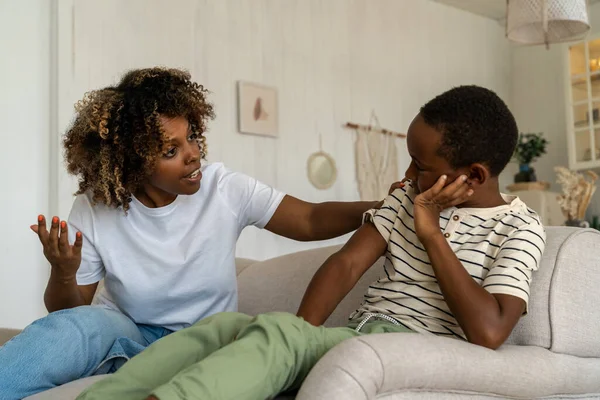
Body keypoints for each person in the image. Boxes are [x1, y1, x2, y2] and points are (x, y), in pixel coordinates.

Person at [77, 85, 546, 400]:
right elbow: (344, 266)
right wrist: (300, 337)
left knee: (277, 335)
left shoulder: (517, 228)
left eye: (419, 166)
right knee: (221, 330)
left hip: (411, 349)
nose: (406, 177)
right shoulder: (408, 201)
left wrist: (431, 233)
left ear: (475, 175)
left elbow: (489, 332)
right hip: (359, 337)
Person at [0, 67, 398, 400]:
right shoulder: (96, 204)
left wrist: (381, 207)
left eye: (191, 136)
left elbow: (309, 219)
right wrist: (64, 272)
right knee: (80, 328)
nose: (193, 154)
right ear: (132, 162)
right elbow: (69, 312)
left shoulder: (224, 189)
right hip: (127, 334)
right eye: (170, 151)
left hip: (202, 341)